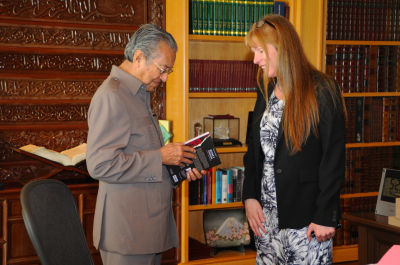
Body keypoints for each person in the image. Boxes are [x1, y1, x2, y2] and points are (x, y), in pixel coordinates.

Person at [86, 24, 205, 265]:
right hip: (128, 234)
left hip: (148, 229)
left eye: (169, 71)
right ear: (139, 57)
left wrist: (179, 164)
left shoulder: (139, 94)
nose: (165, 77)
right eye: (163, 69)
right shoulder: (112, 96)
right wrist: (161, 157)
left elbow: (142, 155)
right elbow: (100, 165)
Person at [242, 14, 346, 264]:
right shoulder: (265, 89)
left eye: (259, 50)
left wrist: (326, 215)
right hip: (266, 219)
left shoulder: (322, 88)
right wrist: (249, 197)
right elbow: (253, 150)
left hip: (306, 218)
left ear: (282, 48)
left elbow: (334, 158)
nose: (256, 60)